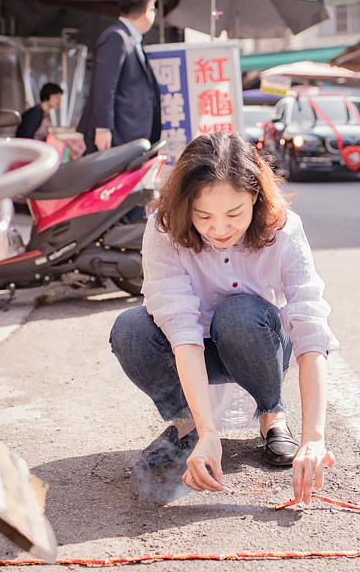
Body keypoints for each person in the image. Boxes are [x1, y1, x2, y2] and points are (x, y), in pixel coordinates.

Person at [109, 131, 338, 504]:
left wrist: (314, 438)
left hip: (256, 343)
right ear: (186, 207)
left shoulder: (283, 229)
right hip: (192, 348)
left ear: (256, 198)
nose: (219, 229)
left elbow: (309, 327)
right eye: (204, 216)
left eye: (235, 214)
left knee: (239, 313)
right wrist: (207, 432)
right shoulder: (164, 230)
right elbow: (181, 330)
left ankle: (271, 415)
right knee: (131, 328)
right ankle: (185, 425)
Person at [77, 0, 161, 154]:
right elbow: (104, 85)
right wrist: (103, 128)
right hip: (117, 135)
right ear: (147, 12)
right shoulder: (116, 37)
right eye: (153, 8)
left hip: (129, 133)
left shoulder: (129, 38)